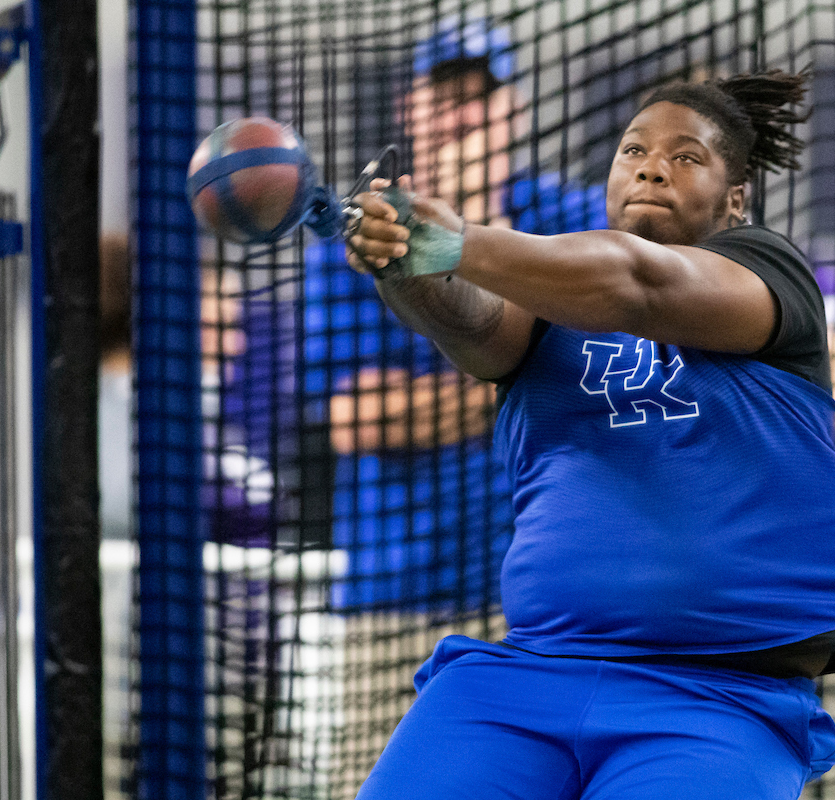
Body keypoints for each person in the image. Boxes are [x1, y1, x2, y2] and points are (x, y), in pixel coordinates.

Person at [342, 69, 835, 800]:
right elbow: (471, 325)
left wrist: (460, 241)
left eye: (686, 156)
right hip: (525, 681)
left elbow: (637, 284)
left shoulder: (770, 273)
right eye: (633, 150)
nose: (651, 165)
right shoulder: (550, 295)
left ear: (736, 200)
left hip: (715, 699)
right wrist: (403, 261)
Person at [303, 18, 610, 791]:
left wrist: (479, 377)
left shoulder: (563, 216)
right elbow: (356, 419)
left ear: (514, 110)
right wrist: (522, 374)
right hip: (394, 601)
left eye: (484, 96)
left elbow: (599, 370)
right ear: (413, 110)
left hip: (550, 605)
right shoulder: (366, 235)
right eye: (448, 97)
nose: (467, 113)